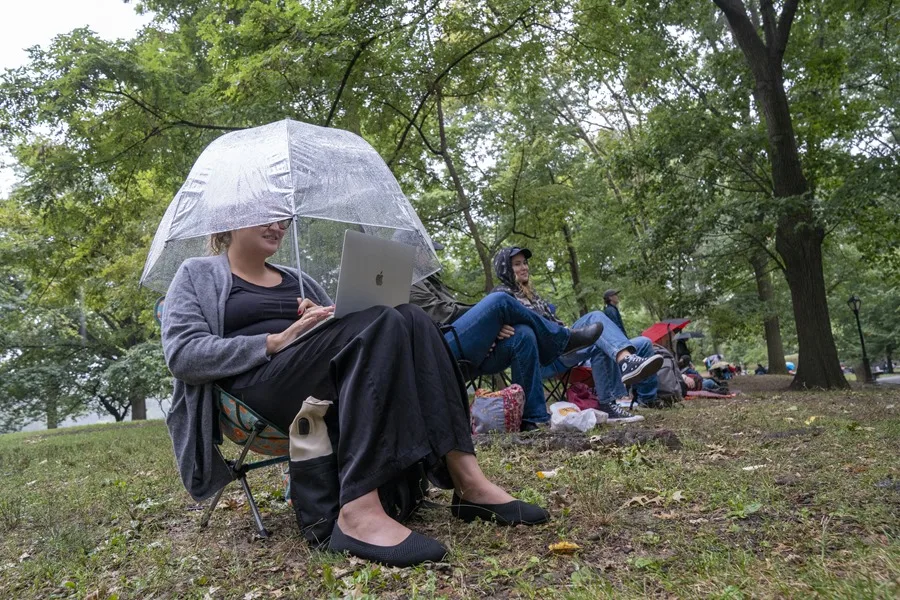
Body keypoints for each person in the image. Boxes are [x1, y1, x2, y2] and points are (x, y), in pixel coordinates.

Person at [161, 221, 549, 568]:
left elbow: (340, 331)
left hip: (318, 376)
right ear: (231, 220)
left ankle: (468, 481)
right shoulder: (197, 274)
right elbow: (183, 354)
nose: (278, 225)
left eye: (282, 217)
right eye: (266, 216)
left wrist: (322, 318)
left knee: (411, 316)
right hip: (254, 389)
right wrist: (274, 340)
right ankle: (357, 511)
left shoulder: (297, 278)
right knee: (381, 320)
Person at [408, 264, 603, 431]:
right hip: (439, 350)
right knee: (499, 300)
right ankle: (562, 340)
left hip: (468, 349)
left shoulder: (432, 280)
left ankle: (532, 419)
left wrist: (489, 324)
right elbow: (439, 314)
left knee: (523, 334)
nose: (431, 256)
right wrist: (488, 318)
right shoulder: (409, 278)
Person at [491, 247, 664, 423]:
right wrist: (496, 329)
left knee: (642, 341)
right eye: (517, 264)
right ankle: (626, 361)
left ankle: (615, 403)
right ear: (505, 269)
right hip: (545, 357)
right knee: (595, 318)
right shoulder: (502, 295)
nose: (524, 267)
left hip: (564, 347)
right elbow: (488, 322)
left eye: (525, 263)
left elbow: (555, 323)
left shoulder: (533, 296)